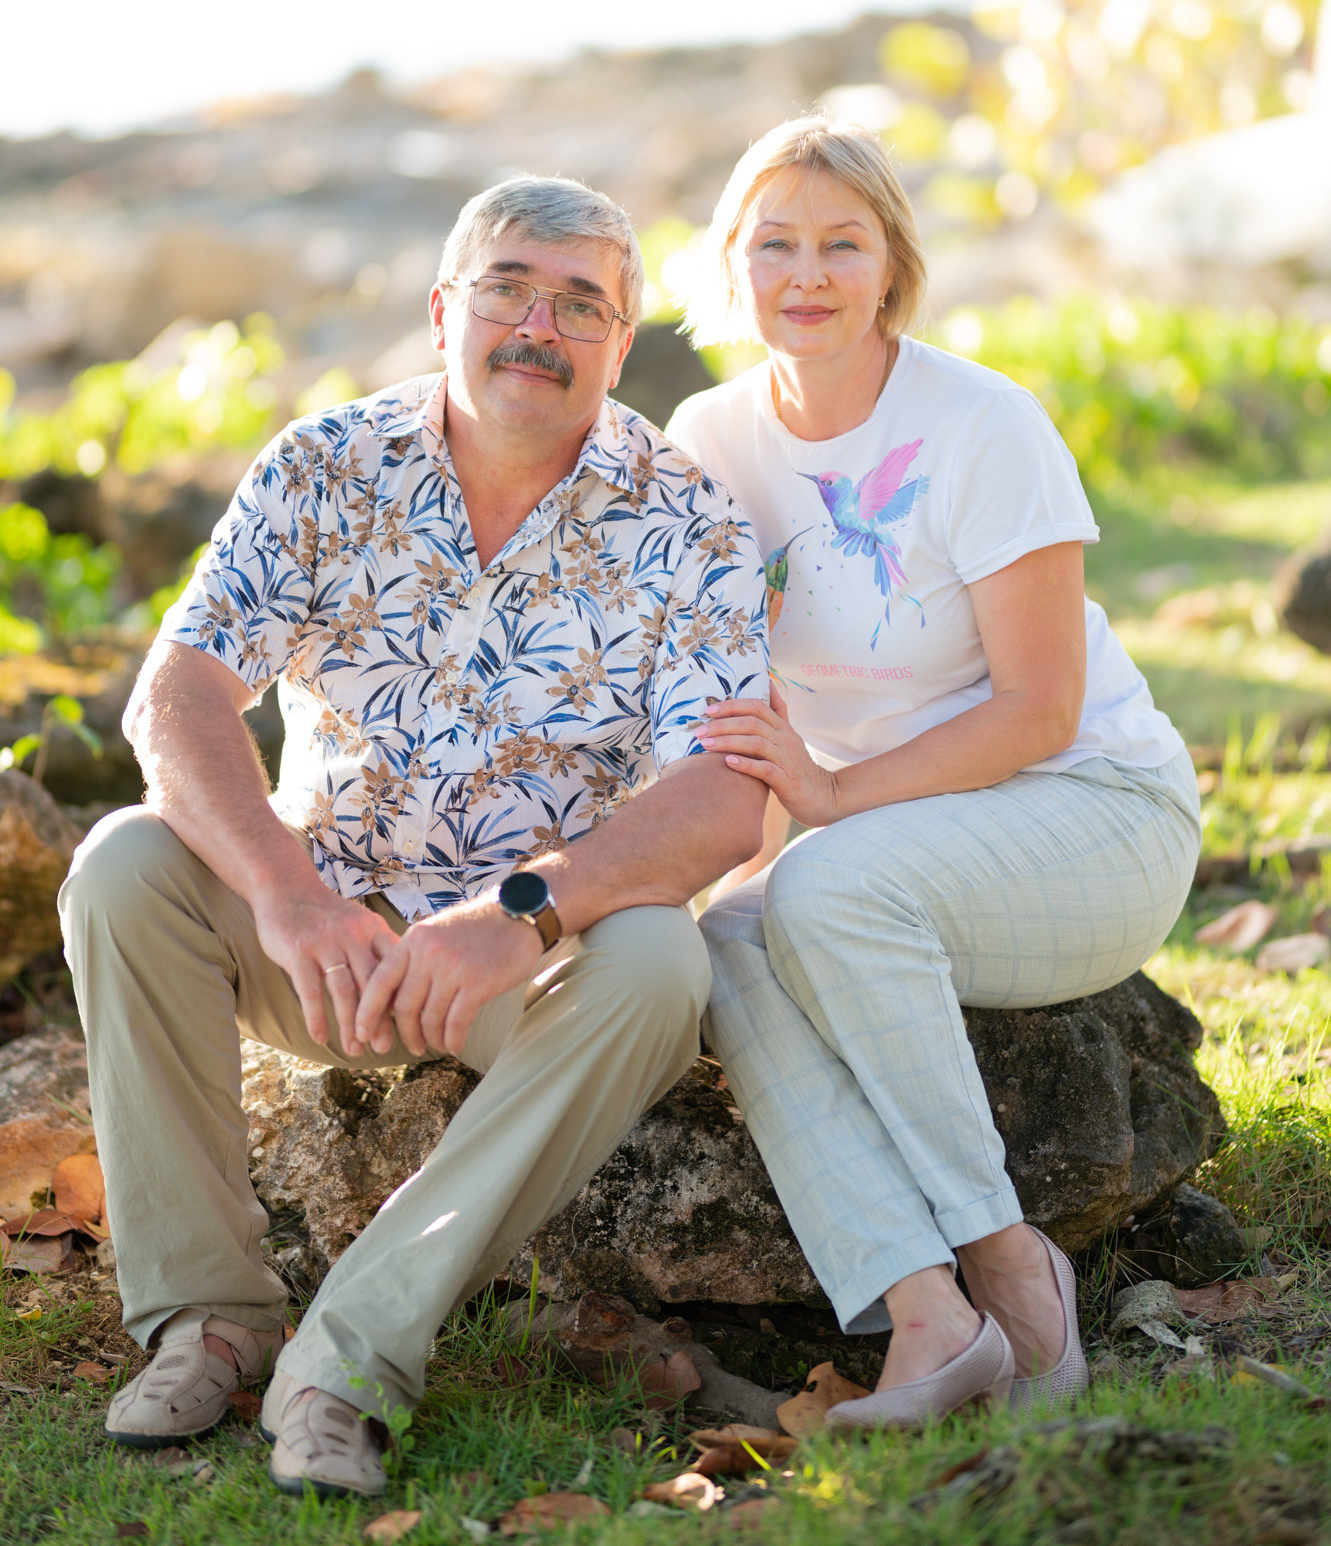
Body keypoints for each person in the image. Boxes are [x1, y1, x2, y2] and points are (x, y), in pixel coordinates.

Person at [61, 175, 769, 1497]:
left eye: (581, 305)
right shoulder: (324, 467)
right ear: (445, 307)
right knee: (121, 868)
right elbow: (181, 696)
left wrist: (523, 914)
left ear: (621, 347)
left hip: (525, 969)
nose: (537, 327)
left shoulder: (691, 521)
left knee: (663, 969)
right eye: (507, 287)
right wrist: (286, 898)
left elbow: (726, 797)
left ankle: (346, 1357)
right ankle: (209, 1317)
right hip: (321, 947)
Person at [665, 117, 1200, 1429]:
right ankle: (927, 1313)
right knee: (726, 935)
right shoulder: (708, 438)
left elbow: (1038, 707)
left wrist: (835, 802)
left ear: (892, 266)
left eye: (844, 242)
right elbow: (726, 699)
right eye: (775, 242)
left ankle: (1018, 1272)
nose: (809, 272)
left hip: (1093, 815)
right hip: (895, 845)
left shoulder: (981, 423)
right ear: (729, 270)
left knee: (824, 890)